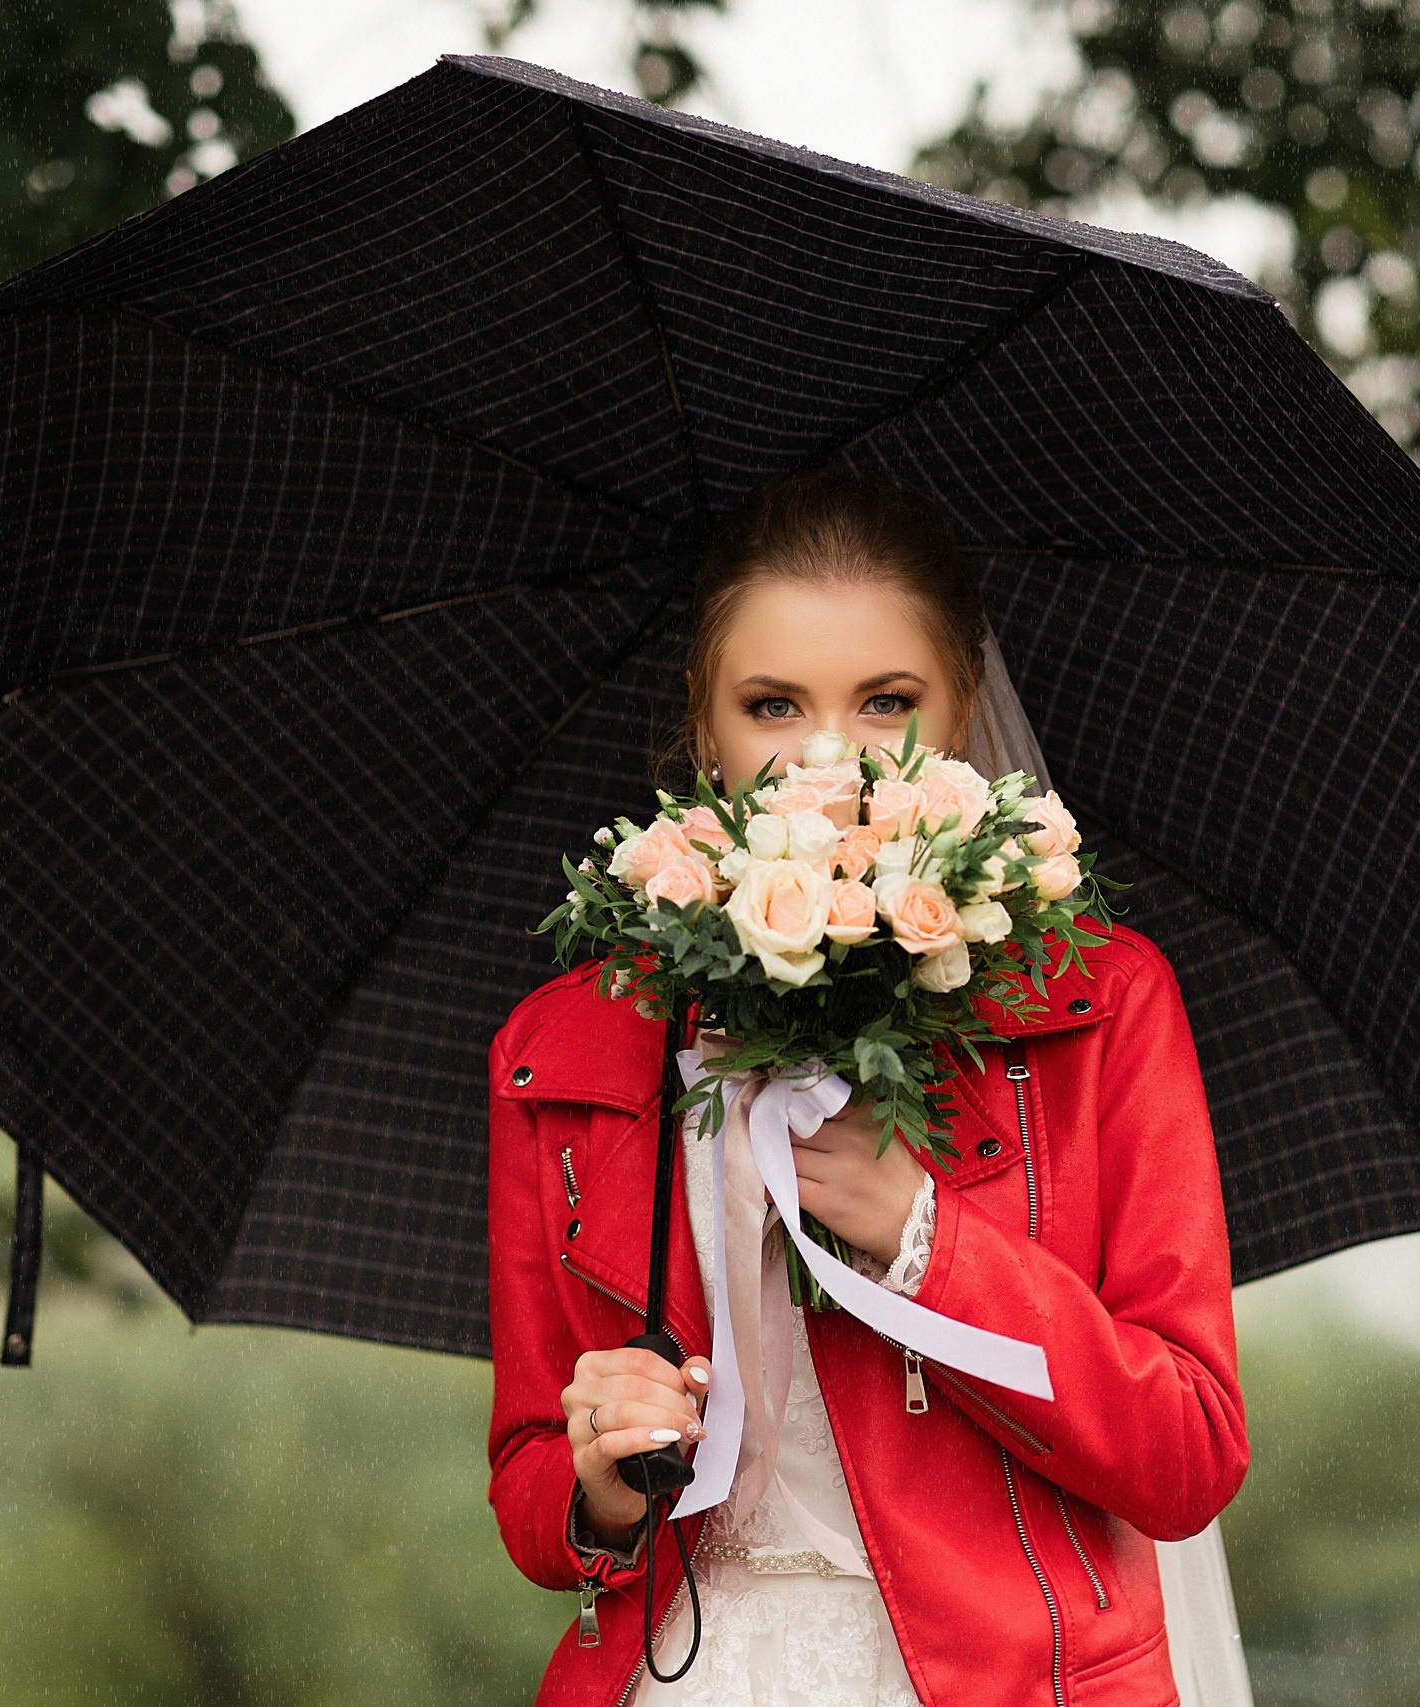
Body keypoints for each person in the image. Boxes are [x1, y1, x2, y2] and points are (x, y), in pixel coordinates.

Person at [485, 467, 1248, 1706]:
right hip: (687, 1676)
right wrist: (600, 1480)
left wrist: (924, 1240)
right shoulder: (562, 1049)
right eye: (772, 704)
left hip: (1009, 1682)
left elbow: (1189, 1453)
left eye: (885, 702)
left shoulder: (1099, 1005)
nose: (826, 760)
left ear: (957, 725)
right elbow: (531, 1488)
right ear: (702, 725)